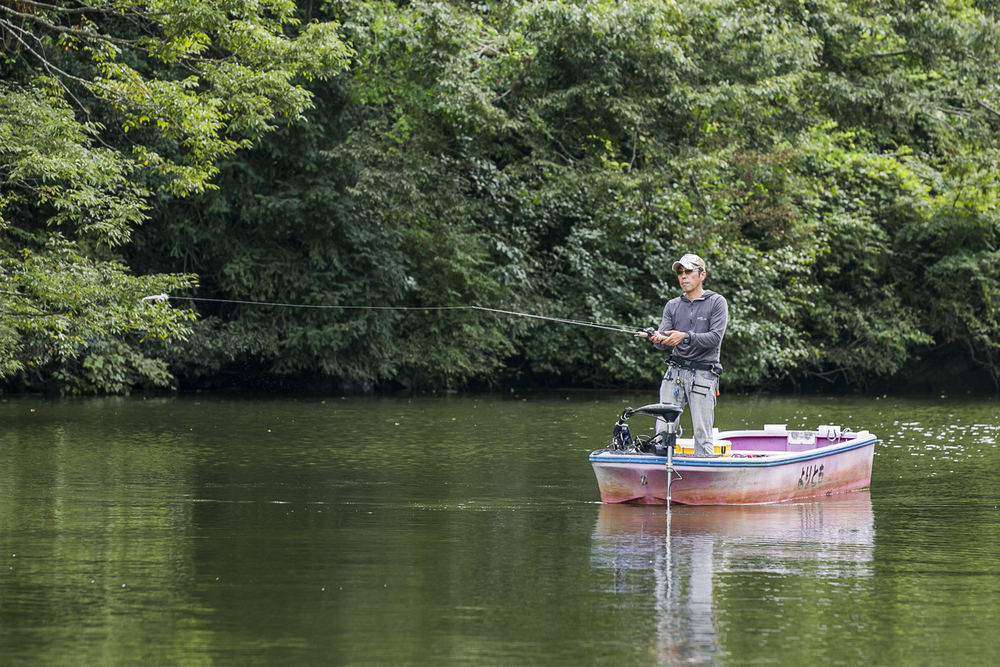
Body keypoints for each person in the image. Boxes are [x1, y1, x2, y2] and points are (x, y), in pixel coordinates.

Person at [643, 253, 728, 457]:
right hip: (675, 373)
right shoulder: (672, 305)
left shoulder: (717, 302)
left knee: (701, 432)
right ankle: (662, 468)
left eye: (689, 271)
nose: (683, 276)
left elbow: (715, 338)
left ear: (702, 275)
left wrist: (685, 337)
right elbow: (663, 343)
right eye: (680, 272)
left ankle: (705, 470)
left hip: (703, 374)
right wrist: (657, 338)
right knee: (663, 430)